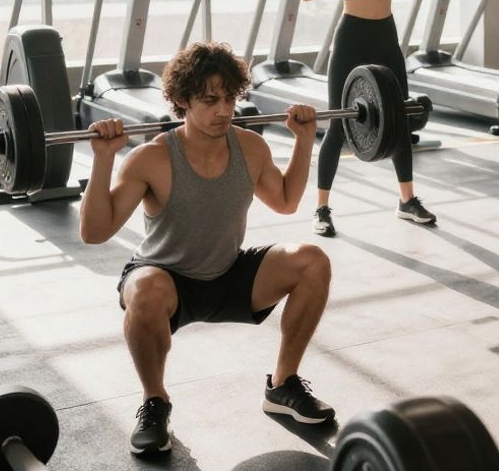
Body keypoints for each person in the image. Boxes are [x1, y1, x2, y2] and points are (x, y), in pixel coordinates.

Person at [79, 42, 335, 455]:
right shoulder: (152, 158)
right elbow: (94, 232)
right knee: (144, 290)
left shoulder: (250, 147)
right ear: (182, 100)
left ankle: (283, 384)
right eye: (209, 100)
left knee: (312, 261)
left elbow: (286, 200)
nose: (223, 110)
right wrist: (103, 158)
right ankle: (154, 401)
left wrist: (304, 141)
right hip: (166, 278)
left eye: (230, 98)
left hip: (228, 273)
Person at [295, 0, 436, 236]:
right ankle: (322, 208)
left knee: (400, 117)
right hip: (352, 39)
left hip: (386, 38)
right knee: (340, 124)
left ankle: (407, 200)